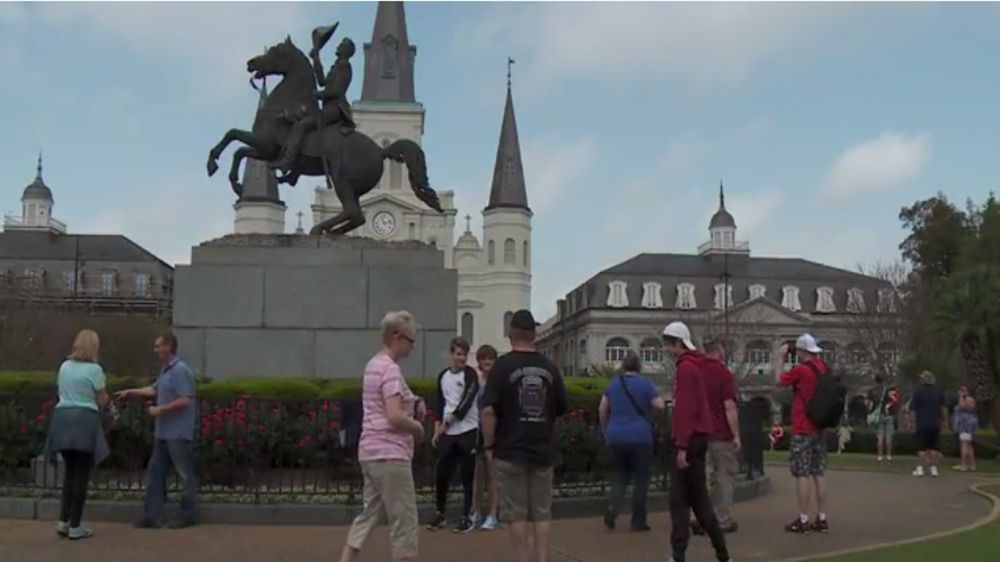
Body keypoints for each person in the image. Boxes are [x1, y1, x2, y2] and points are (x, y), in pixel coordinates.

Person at [481, 309, 568, 562]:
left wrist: (489, 445)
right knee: (542, 514)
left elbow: (488, 412)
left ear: (511, 334)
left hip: (510, 451)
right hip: (542, 449)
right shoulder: (550, 368)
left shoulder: (501, 367)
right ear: (534, 334)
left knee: (516, 515)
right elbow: (561, 407)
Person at [339, 311, 425, 562]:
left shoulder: (373, 365)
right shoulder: (390, 369)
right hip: (391, 454)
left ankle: (347, 557)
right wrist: (417, 428)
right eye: (411, 340)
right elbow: (394, 415)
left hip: (369, 451)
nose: (412, 347)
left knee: (369, 513)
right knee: (405, 521)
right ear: (397, 336)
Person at [662, 322, 733, 562]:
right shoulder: (694, 366)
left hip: (690, 441)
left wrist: (682, 446)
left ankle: (688, 553)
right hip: (697, 439)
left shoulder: (685, 369)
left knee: (689, 502)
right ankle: (699, 554)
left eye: (668, 345)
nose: (666, 350)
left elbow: (685, 409)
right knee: (688, 500)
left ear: (676, 344)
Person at [117, 333, 198, 529]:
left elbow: (186, 399)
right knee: (156, 473)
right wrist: (130, 391)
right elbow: (154, 390)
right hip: (164, 433)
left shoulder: (180, 371)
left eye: (158, 346)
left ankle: (187, 515)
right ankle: (152, 515)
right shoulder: (166, 370)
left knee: (186, 475)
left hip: (178, 433)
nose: (155, 350)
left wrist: (160, 410)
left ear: (168, 347)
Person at [42, 329, 110, 540]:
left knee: (69, 473)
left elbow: (60, 392)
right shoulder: (95, 370)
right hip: (84, 420)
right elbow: (102, 400)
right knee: (81, 475)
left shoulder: (64, 366)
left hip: (62, 418)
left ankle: (63, 520)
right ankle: (76, 524)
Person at [599, 351, 665, 533]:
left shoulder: (613, 384)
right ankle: (638, 521)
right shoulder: (645, 384)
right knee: (641, 480)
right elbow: (660, 404)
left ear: (623, 366)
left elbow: (602, 408)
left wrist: (606, 430)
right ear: (639, 367)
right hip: (641, 437)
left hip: (616, 436)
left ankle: (612, 510)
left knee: (620, 476)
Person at [272, 33, 357, 173]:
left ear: (346, 51)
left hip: (335, 109)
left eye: (341, 45)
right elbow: (322, 81)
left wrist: (317, 95)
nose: (338, 46)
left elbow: (336, 91)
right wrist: (316, 58)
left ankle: (288, 161)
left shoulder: (344, 67)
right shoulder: (337, 66)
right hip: (328, 106)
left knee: (303, 124)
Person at [774, 334, 830, 534]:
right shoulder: (824, 368)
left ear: (802, 352)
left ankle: (804, 518)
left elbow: (779, 381)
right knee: (819, 472)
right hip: (820, 427)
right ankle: (822, 518)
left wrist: (780, 358)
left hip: (803, 426)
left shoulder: (800, 370)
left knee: (802, 474)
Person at [428, 337, 481, 533]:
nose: (462, 358)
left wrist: (448, 422)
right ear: (451, 355)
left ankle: (467, 516)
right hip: (447, 434)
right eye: (458, 354)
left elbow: (465, 404)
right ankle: (440, 514)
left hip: (467, 430)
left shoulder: (471, 375)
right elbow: (439, 404)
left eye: (465, 355)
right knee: (442, 474)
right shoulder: (443, 376)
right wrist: (437, 429)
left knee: (467, 475)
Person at [691, 339, 741, 535]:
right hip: (720, 433)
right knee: (724, 476)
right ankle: (723, 519)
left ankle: (697, 516)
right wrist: (736, 435)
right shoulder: (723, 373)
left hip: (697, 432)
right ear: (719, 352)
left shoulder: (694, 371)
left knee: (702, 475)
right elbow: (729, 406)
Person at [471, 344, 501, 531]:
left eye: (490, 358)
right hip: (476, 432)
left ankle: (493, 514)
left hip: (495, 434)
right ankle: (476, 511)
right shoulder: (476, 382)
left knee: (493, 475)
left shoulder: (498, 383)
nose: (487, 361)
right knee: (477, 475)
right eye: (484, 358)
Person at [909, 370, 947, 478]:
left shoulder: (918, 392)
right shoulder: (938, 391)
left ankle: (920, 469)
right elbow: (943, 408)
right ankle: (933, 469)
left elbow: (913, 410)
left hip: (922, 423)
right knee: (934, 447)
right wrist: (944, 422)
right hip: (935, 422)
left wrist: (912, 423)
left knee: (921, 447)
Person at [867, 377, 900, 463]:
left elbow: (869, 404)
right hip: (888, 415)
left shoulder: (872, 390)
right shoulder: (888, 390)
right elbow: (895, 399)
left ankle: (880, 456)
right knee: (889, 437)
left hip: (879, 415)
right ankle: (889, 456)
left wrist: (870, 412)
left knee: (880, 437)